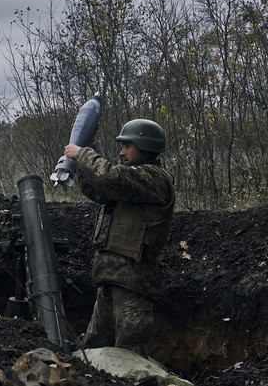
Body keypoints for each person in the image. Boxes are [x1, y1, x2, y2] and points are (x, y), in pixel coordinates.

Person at [63, 118, 175, 357]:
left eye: (127, 146)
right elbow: (99, 188)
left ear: (144, 147)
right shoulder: (130, 183)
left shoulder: (154, 179)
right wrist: (86, 145)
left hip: (134, 286)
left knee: (129, 359)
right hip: (110, 281)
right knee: (91, 354)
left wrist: (83, 153)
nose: (121, 152)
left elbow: (110, 178)